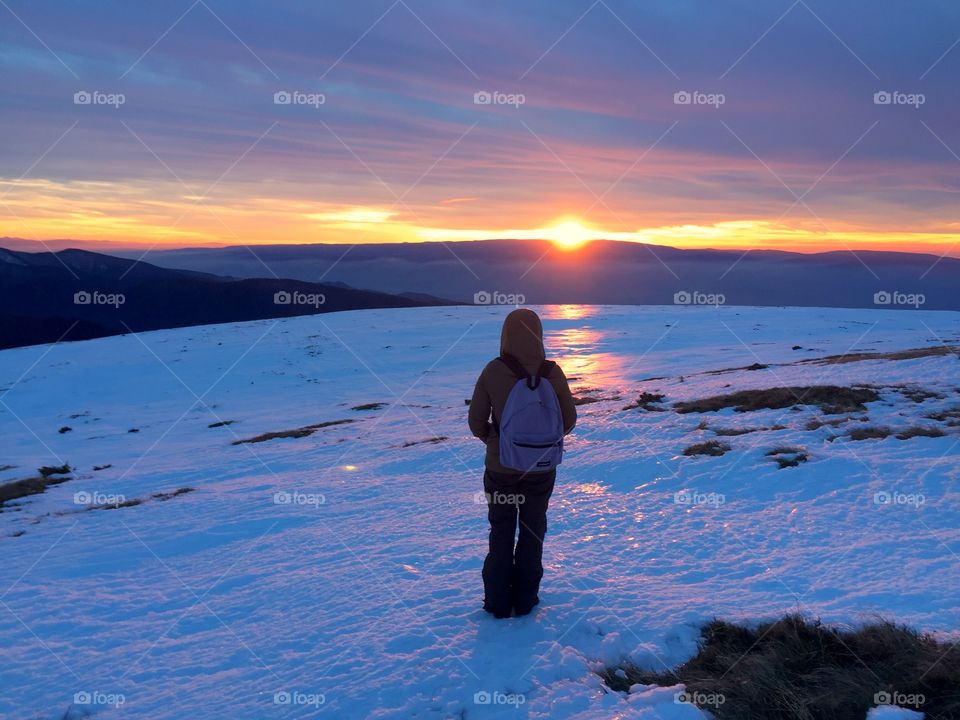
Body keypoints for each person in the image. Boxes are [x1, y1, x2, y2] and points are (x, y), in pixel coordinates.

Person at [468, 308, 577, 618]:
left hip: (501, 468)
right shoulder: (552, 372)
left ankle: (498, 603)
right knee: (532, 530)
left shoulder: (493, 370)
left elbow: (476, 422)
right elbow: (568, 421)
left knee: (501, 530)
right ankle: (526, 601)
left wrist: (497, 439)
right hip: (541, 470)